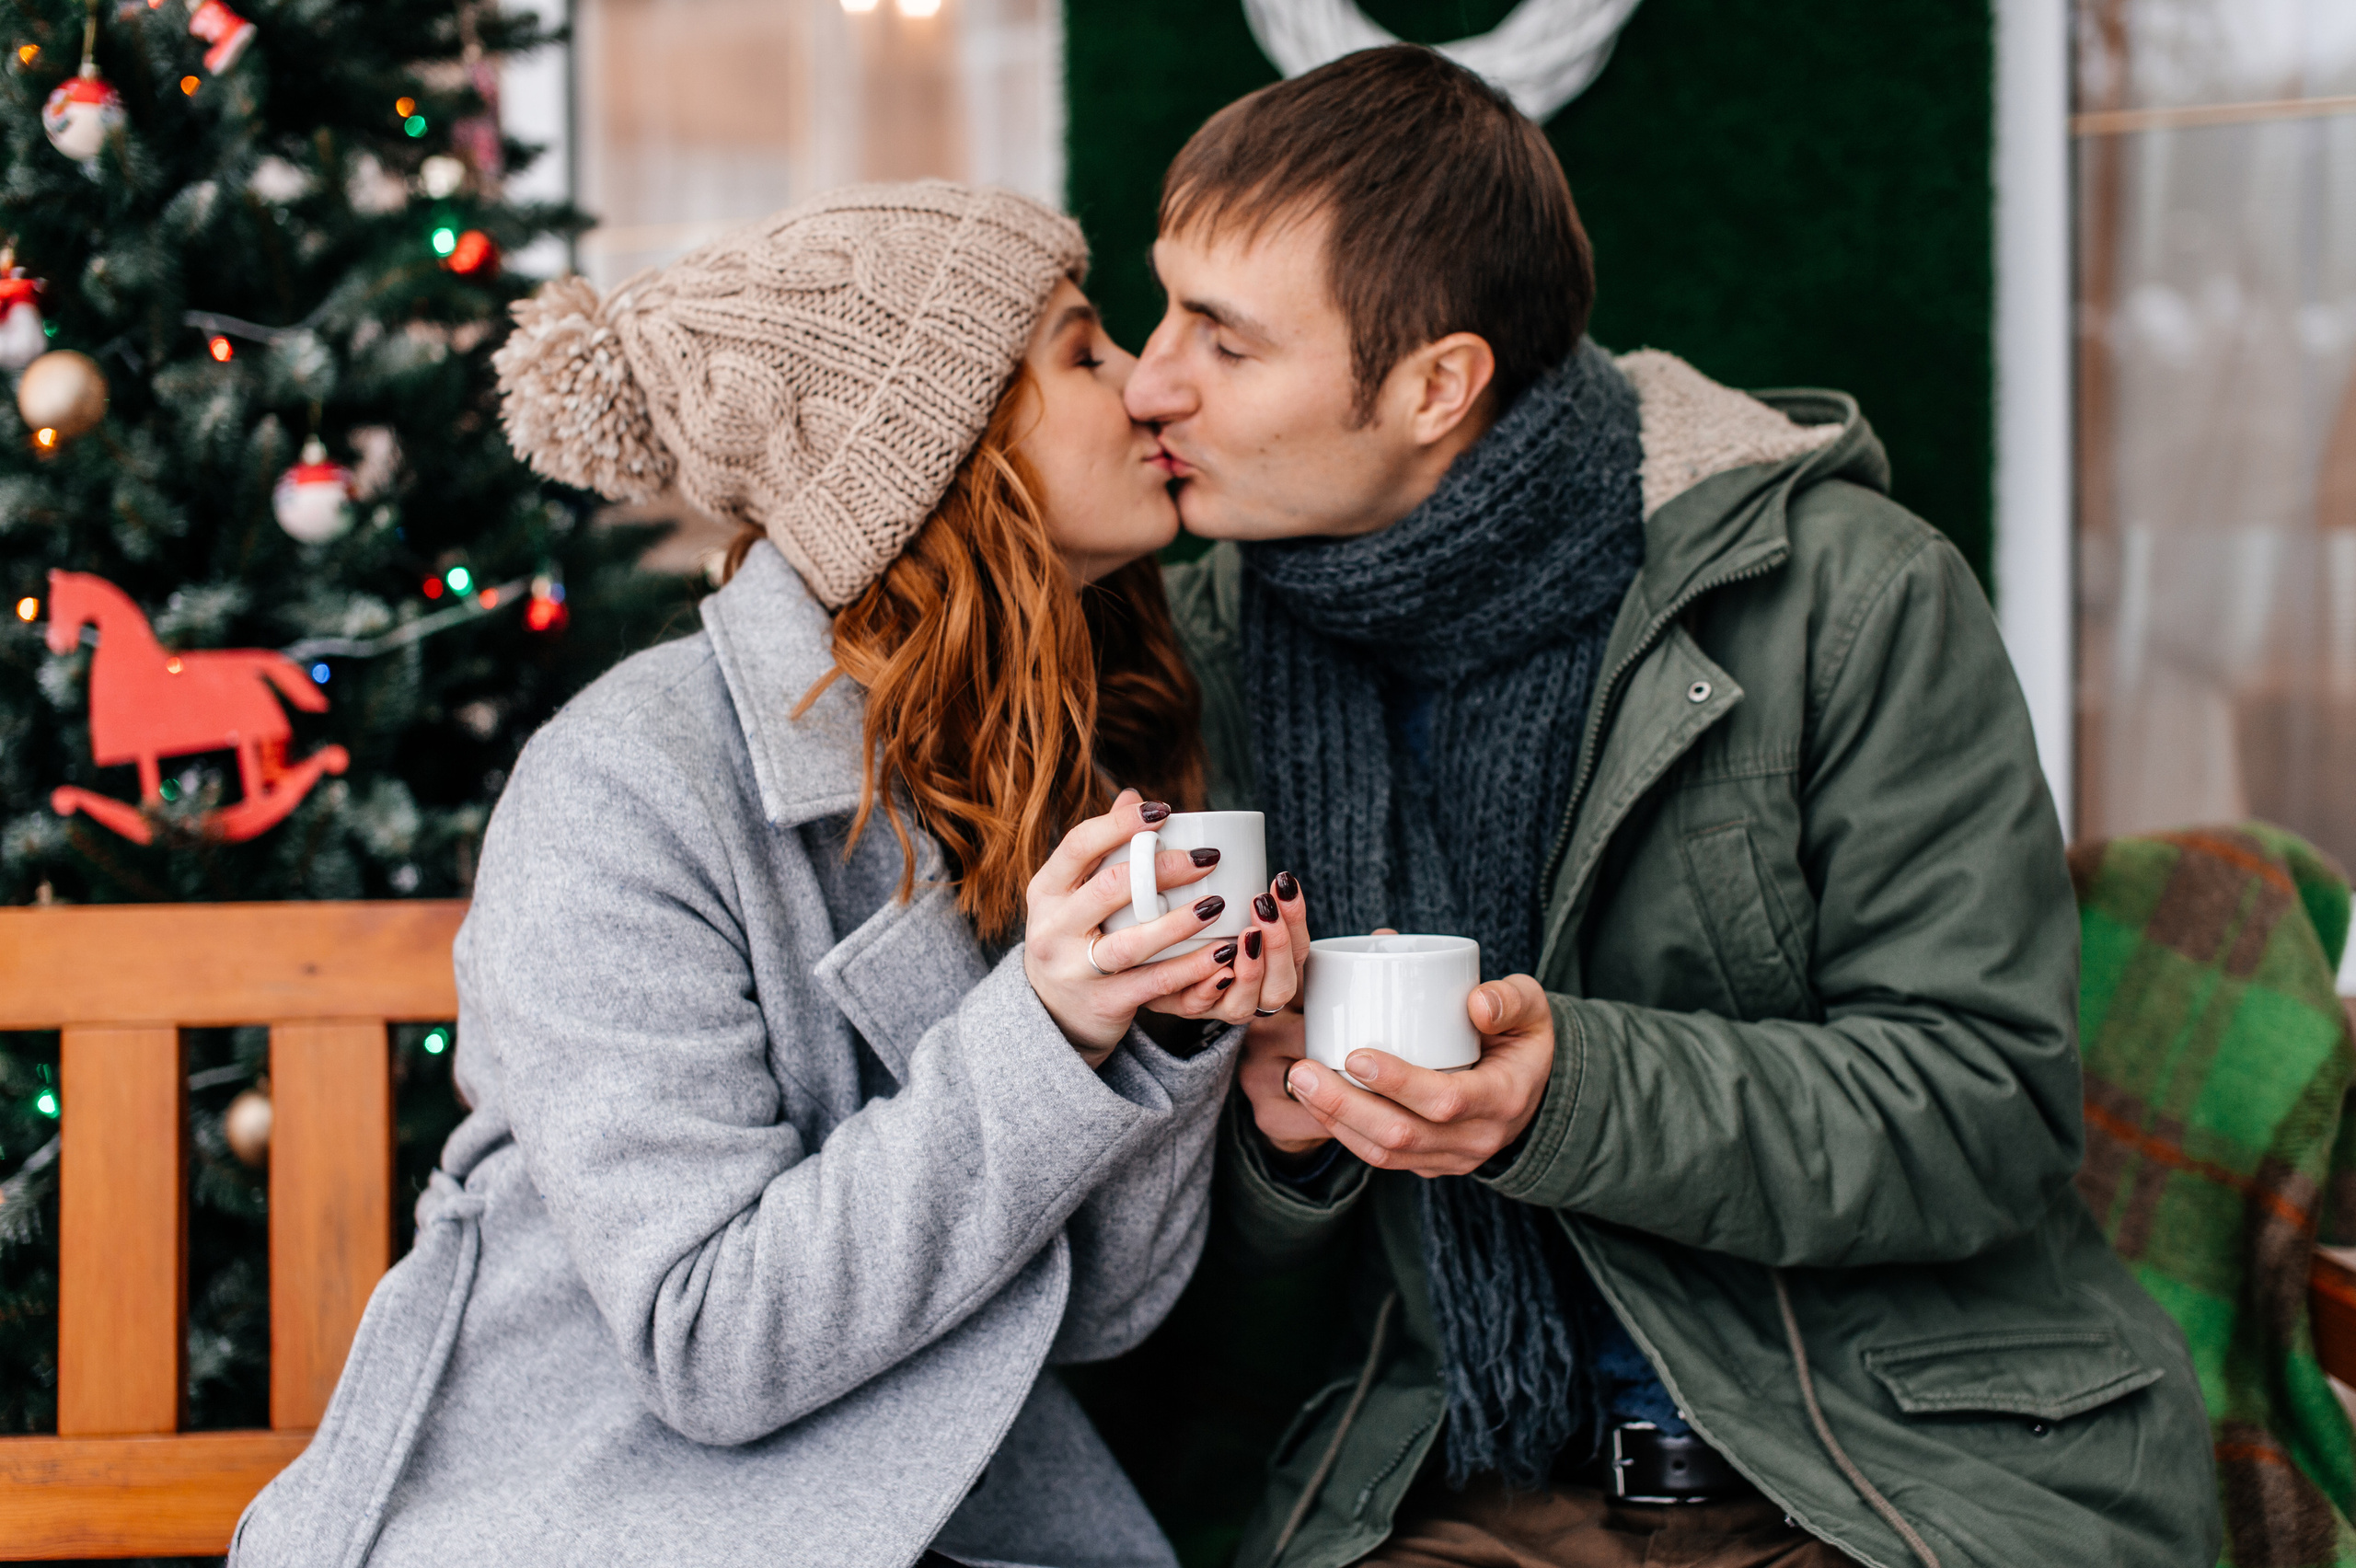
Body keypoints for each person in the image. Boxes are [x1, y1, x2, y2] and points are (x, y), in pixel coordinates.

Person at [1132, 46, 2221, 1568]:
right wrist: (1284, 1157)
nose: (1149, 376)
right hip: (1443, 1475)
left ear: (1438, 384)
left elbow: (1987, 1110)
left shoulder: (1850, 599)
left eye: (1224, 342)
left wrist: (1564, 1097)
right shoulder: (1200, 661)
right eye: (1161, 306)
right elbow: (1169, 1295)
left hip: (1877, 1462)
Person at [230, 181, 1310, 1568]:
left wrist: (1160, 1037)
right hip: (594, 1510)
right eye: (1083, 351)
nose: (1149, 387)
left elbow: (1091, 1312)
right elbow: (704, 1341)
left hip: (943, 1513)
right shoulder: (625, 779)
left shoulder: (1045, 758)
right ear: (935, 444)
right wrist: (1050, 1030)